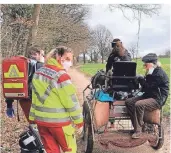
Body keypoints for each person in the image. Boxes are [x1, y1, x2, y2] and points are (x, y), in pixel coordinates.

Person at [29, 46, 83, 153]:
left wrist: (32, 118)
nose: (70, 63)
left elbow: (34, 99)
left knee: (51, 151)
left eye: (71, 60)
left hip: (41, 123)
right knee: (69, 150)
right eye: (67, 59)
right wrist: (79, 122)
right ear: (58, 57)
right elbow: (71, 102)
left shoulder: (38, 73)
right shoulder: (62, 76)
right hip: (60, 124)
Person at [125, 53, 169, 139]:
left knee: (139, 104)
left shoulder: (158, 74)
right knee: (129, 102)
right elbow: (145, 88)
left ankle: (139, 130)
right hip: (150, 95)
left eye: (146, 63)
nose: (144, 65)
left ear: (152, 63)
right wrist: (137, 81)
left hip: (157, 99)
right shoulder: (151, 71)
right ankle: (137, 127)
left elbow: (148, 87)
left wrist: (141, 79)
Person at [5, 45, 45, 123]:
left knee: (33, 122)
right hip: (36, 101)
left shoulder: (19, 65)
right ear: (37, 53)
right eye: (42, 55)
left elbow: (11, 84)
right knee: (39, 125)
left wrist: (9, 105)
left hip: (23, 99)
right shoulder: (40, 66)